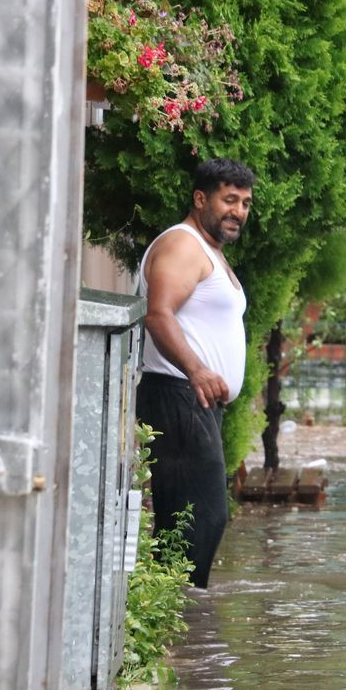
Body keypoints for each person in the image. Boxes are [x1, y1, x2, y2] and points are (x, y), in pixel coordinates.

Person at [135, 158, 254, 588]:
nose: (237, 211)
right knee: (199, 517)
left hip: (194, 399)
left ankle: (177, 621)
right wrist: (198, 371)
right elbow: (159, 316)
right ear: (200, 199)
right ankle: (182, 620)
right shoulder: (183, 245)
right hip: (177, 393)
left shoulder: (210, 252)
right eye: (229, 200)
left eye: (244, 203)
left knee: (190, 517)